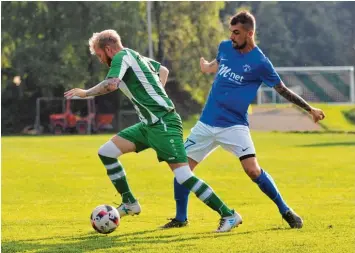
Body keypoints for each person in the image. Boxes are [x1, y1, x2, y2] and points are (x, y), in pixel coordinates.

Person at [64, 29, 242, 232]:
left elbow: (112, 84)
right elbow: (163, 70)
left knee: (183, 175)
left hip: (164, 123)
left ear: (108, 49)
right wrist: (156, 94)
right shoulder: (136, 56)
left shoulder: (121, 56)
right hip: (148, 125)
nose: (100, 59)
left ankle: (229, 214)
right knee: (106, 152)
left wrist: (85, 93)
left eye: (99, 55)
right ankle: (130, 203)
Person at [163, 11, 325, 229]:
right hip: (206, 123)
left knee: (253, 170)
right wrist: (206, 68)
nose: (232, 36)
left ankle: (285, 210)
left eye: (236, 33)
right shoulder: (225, 47)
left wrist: (309, 109)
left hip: (234, 126)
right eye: (231, 32)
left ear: (249, 33)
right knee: (182, 170)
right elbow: (218, 63)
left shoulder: (260, 62)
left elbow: (281, 90)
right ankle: (180, 219)